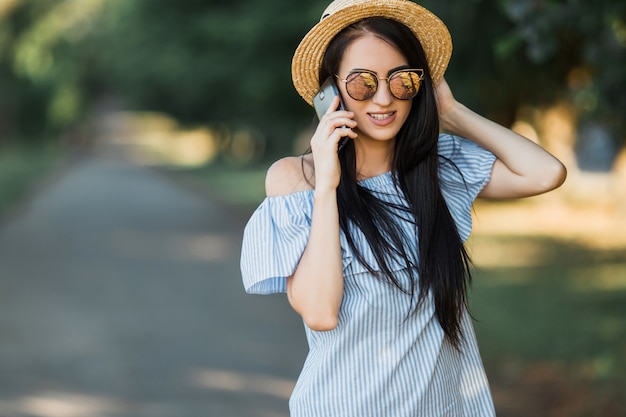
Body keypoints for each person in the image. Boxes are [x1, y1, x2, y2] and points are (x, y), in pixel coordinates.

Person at [240, 0, 567, 415]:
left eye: (403, 81)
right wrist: (327, 185)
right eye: (362, 83)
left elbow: (546, 173)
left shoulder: (437, 169)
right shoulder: (296, 179)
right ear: (330, 92)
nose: (383, 98)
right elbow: (320, 313)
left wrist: (451, 111)